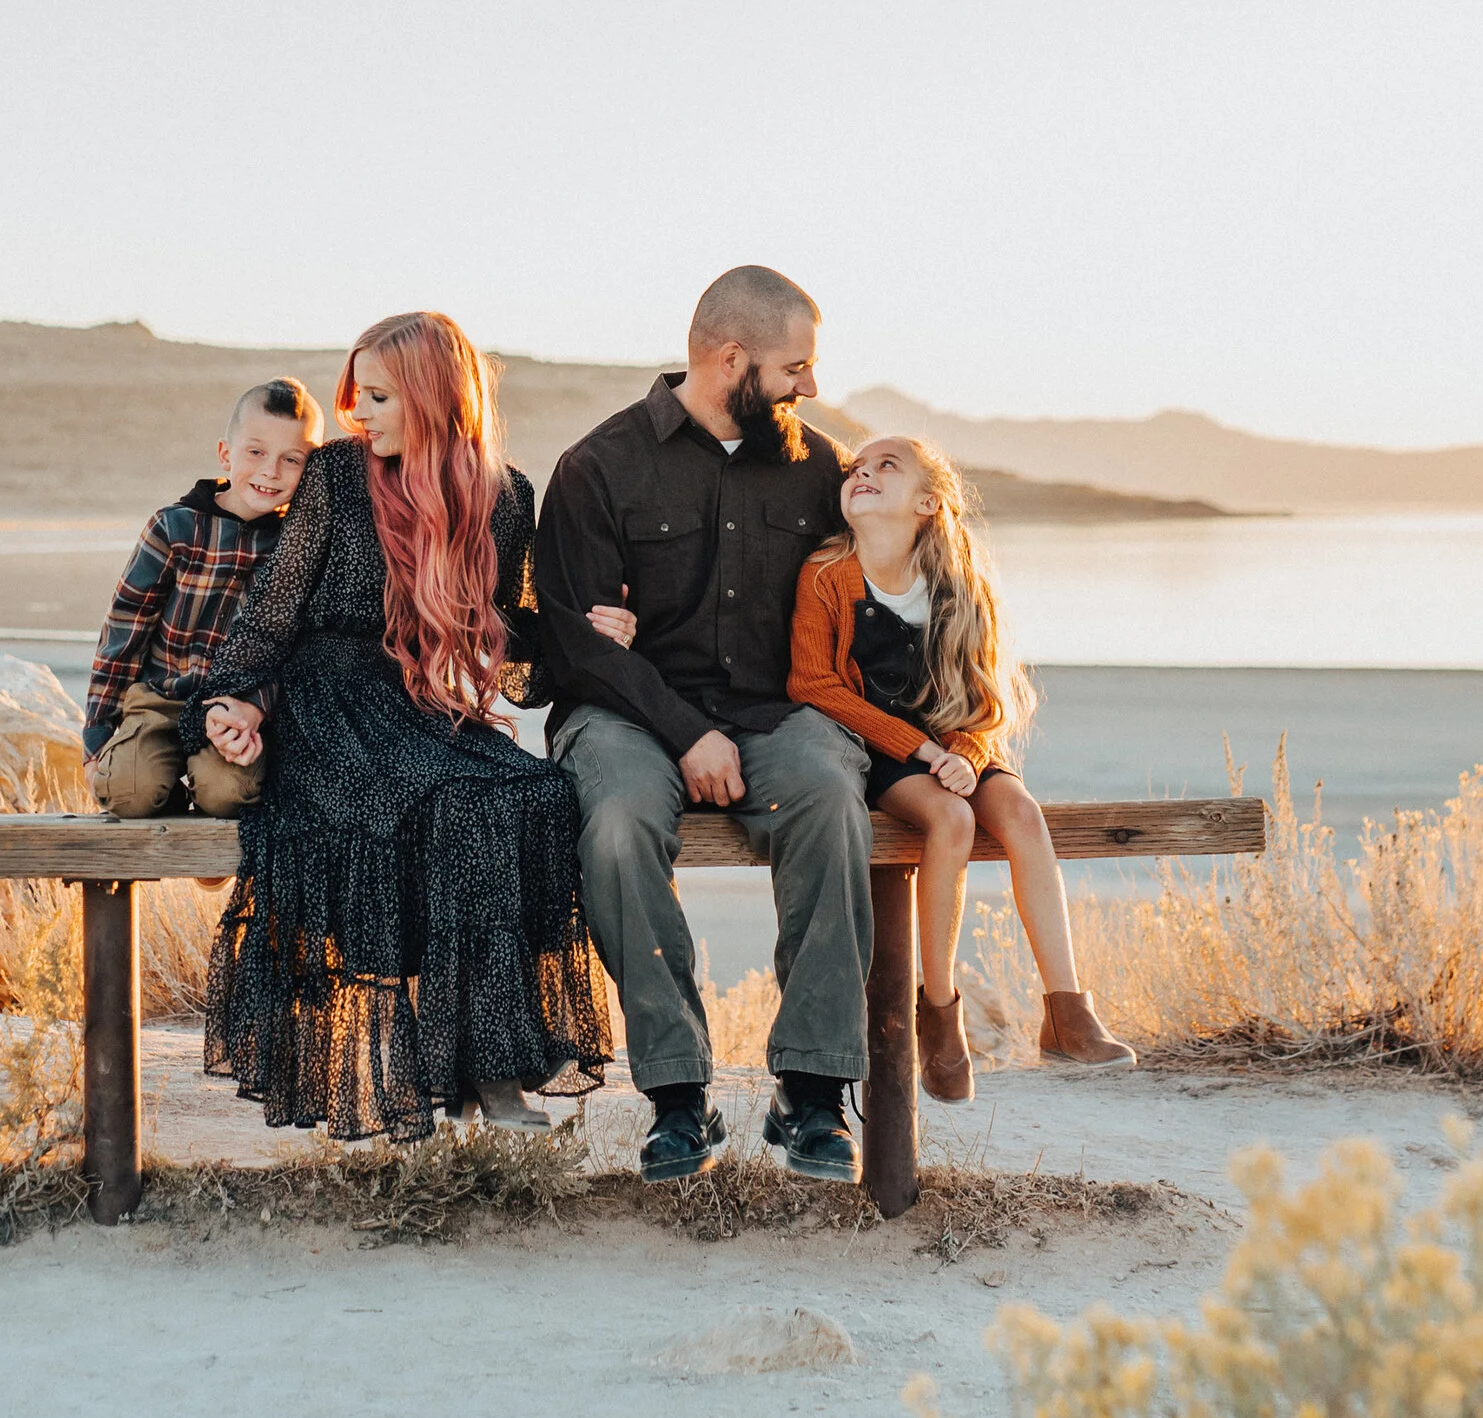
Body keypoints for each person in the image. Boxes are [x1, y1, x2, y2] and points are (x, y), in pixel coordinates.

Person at [196, 312, 613, 1142]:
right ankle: (475, 1071)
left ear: (431, 396)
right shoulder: (338, 475)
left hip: (416, 702)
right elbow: (277, 602)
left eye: (378, 395)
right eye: (356, 393)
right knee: (435, 800)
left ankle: (483, 1059)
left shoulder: (504, 496)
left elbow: (512, 640)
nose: (359, 412)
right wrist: (232, 696)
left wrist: (585, 633)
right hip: (325, 700)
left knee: (529, 791)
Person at [535, 264, 875, 1185]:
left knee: (832, 799)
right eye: (795, 366)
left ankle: (810, 1091)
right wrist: (688, 733)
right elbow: (581, 647)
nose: (810, 386)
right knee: (613, 826)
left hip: (776, 715)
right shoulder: (597, 467)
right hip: (625, 714)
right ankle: (678, 1095)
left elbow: (885, 595)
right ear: (733, 360)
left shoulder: (822, 471)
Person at [788, 436, 1137, 1101]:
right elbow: (814, 684)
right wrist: (924, 754)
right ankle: (940, 1013)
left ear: (927, 500)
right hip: (881, 751)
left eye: (885, 466)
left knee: (1022, 816)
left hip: (958, 744)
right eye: (857, 468)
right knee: (949, 819)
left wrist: (967, 757)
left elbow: (985, 700)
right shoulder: (826, 575)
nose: (864, 473)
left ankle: (1067, 1012)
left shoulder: (960, 582)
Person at [83, 378, 326, 819]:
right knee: (126, 792)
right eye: (255, 452)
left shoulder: (299, 547)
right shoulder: (175, 528)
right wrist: (96, 737)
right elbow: (123, 633)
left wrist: (257, 705)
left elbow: (300, 650)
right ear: (226, 454)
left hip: (233, 707)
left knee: (229, 795)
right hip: (160, 698)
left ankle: (208, 804)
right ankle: (169, 799)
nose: (270, 471)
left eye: (292, 459)